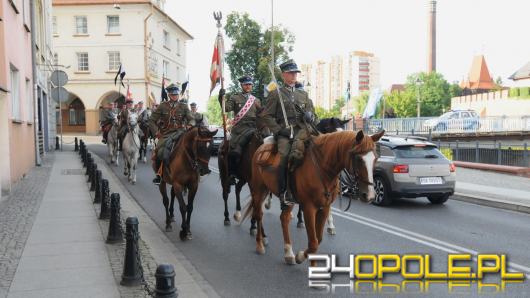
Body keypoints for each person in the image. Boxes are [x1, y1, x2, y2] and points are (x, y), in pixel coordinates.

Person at [261, 59, 319, 206]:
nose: (294, 76)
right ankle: (284, 191)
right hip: (285, 133)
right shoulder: (276, 94)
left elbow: (315, 116)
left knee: (319, 152)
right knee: (285, 157)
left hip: (303, 131)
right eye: (290, 73)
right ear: (283, 75)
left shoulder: (303, 95)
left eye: (295, 73)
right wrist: (280, 130)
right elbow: (266, 116)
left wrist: (310, 116)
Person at [148, 83, 195, 185]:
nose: (175, 96)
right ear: (169, 95)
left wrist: (190, 125)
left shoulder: (184, 106)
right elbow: (151, 120)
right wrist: (156, 132)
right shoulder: (162, 106)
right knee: (159, 152)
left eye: (176, 94)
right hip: (167, 134)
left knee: (194, 147)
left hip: (181, 132)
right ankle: (159, 174)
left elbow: (191, 119)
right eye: (173, 94)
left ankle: (197, 170)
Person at [218, 75, 262, 184]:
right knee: (231, 149)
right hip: (240, 129)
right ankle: (231, 173)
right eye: (246, 84)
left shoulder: (256, 100)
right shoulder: (235, 98)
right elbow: (226, 108)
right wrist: (221, 97)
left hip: (253, 127)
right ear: (241, 85)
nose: (248, 86)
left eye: (250, 84)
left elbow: (260, 115)